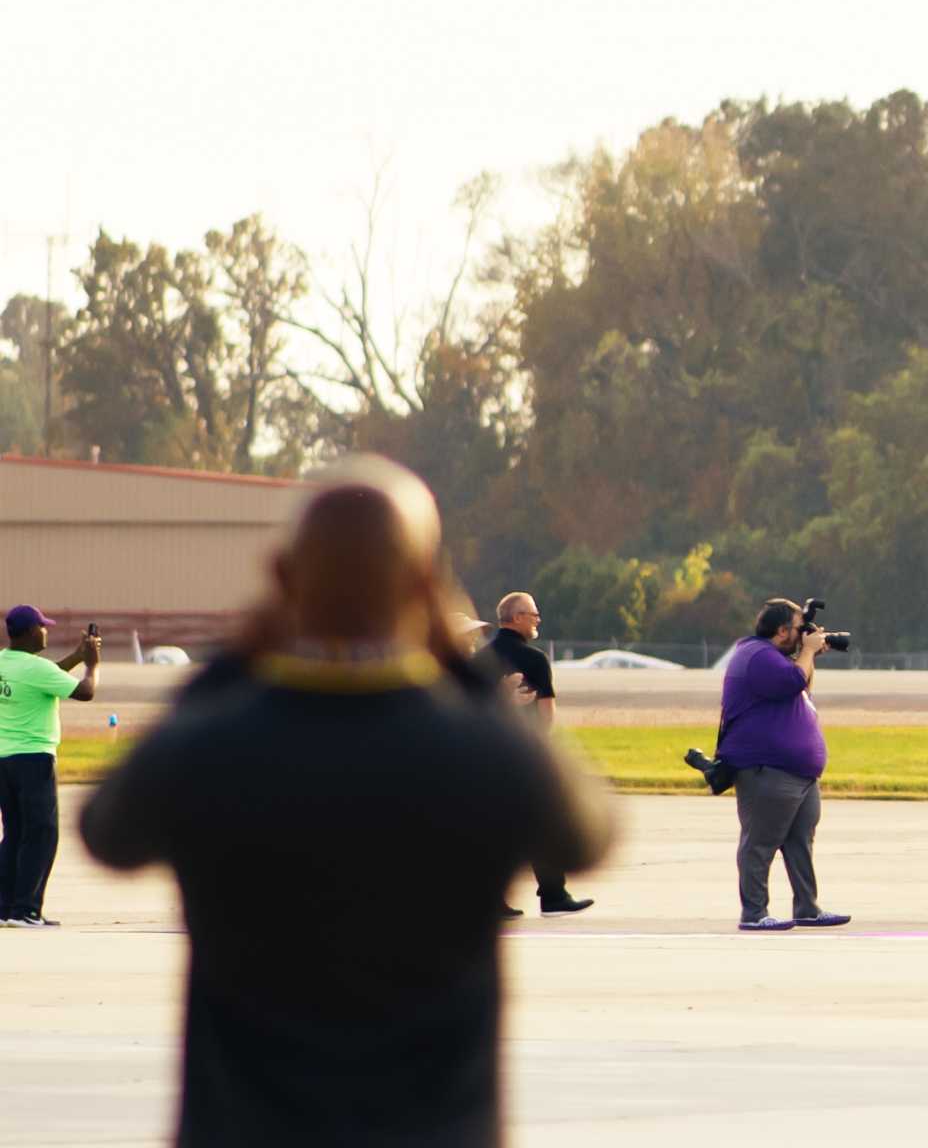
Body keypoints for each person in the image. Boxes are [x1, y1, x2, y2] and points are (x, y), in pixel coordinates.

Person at [78, 454, 614, 1148]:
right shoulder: (480, 750)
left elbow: (106, 834)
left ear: (283, 583)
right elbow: (588, 835)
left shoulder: (216, 744)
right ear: (423, 588)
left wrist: (231, 662)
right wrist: (469, 676)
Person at [717, 597, 849, 932]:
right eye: (798, 629)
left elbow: (799, 687)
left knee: (800, 842)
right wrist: (806, 653)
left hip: (798, 774)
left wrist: (808, 657)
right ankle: (754, 913)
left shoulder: (774, 657)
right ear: (780, 631)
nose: (802, 635)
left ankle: (807, 907)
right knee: (759, 844)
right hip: (767, 770)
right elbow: (792, 681)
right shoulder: (757, 655)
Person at [476, 592, 593, 918]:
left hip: (485, 755)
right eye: (533, 614)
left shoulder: (480, 660)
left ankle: (492, 898)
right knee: (543, 824)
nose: (538, 620)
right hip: (522, 754)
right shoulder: (535, 660)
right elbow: (546, 716)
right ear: (515, 618)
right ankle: (553, 894)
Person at [0, 605, 99, 926]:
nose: (46, 631)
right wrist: (92, 666)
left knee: (13, 833)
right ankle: (26, 909)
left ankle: (6, 907)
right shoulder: (36, 668)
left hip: (4, 760)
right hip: (33, 759)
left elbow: (46, 677)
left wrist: (76, 656)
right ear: (31, 632)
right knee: (41, 833)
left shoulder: (7, 662)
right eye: (43, 627)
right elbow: (85, 692)